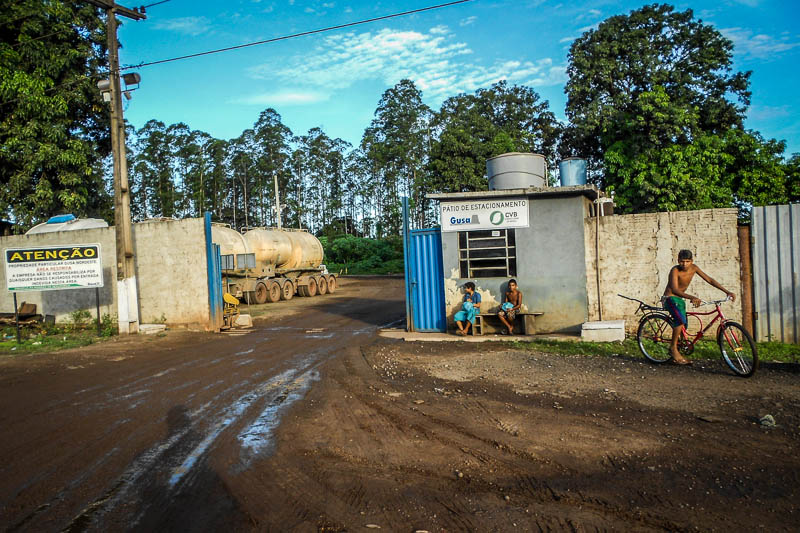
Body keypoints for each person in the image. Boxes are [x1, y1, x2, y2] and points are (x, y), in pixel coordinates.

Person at [662, 249, 736, 365]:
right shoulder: (675, 270)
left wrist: (727, 291)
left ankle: (680, 347)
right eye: (682, 261)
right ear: (678, 261)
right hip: (670, 298)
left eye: (687, 261)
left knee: (684, 325)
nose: (684, 264)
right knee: (680, 321)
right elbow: (675, 289)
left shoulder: (694, 268)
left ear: (692, 261)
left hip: (680, 299)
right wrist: (692, 297)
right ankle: (673, 349)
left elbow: (710, 280)